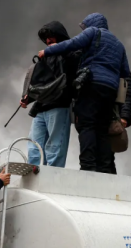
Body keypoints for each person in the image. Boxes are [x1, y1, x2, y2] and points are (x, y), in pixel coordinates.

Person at [38, 12, 131, 173]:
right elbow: (125, 73)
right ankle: (103, 169)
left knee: (87, 125)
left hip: (91, 85)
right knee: (102, 129)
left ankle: (87, 167)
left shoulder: (94, 32)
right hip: (110, 91)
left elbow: (73, 44)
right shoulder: (118, 44)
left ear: (91, 24)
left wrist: (47, 51)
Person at [20, 21, 80, 167]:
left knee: (55, 146)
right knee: (34, 145)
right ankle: (33, 173)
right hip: (41, 108)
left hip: (60, 105)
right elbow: (41, 82)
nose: (47, 41)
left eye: (50, 36)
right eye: (45, 38)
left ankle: (53, 177)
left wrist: (60, 50)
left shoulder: (73, 52)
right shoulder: (43, 58)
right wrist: (29, 98)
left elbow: (72, 71)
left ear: (59, 35)